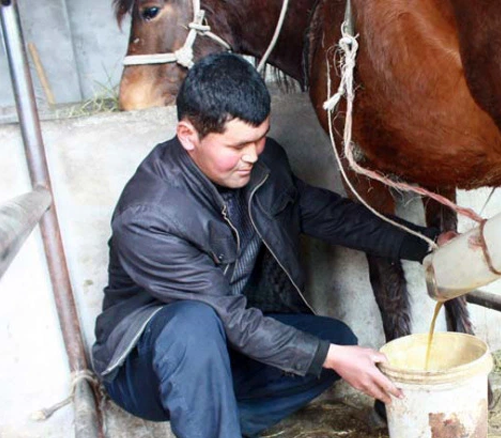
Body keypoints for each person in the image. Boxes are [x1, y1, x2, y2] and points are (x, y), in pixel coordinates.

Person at [91, 52, 447, 438]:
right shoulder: (149, 217)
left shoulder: (265, 164)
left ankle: (222, 421)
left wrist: (428, 243)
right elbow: (228, 317)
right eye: (237, 146)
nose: (251, 156)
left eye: (260, 138)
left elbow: (335, 217)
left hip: (227, 341)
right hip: (145, 366)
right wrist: (330, 358)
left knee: (337, 340)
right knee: (193, 323)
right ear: (188, 136)